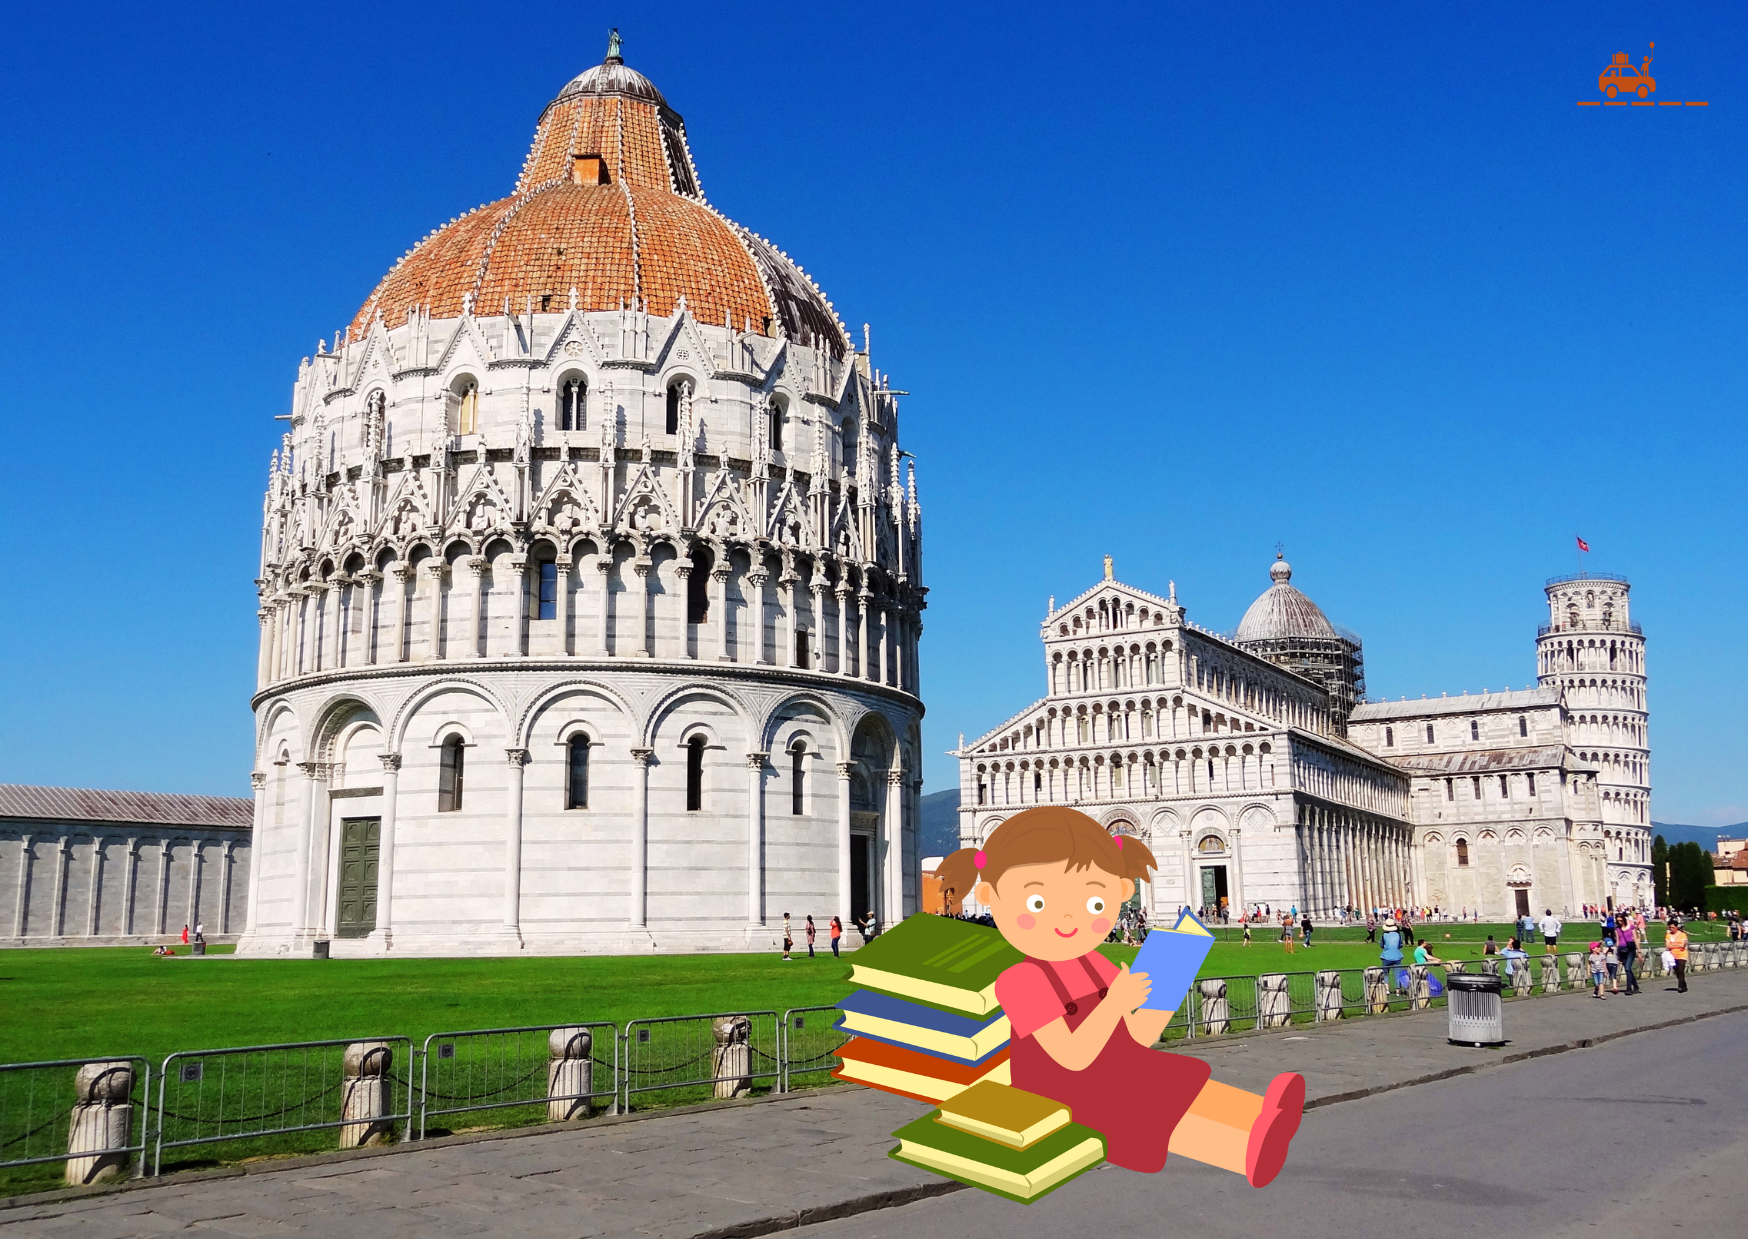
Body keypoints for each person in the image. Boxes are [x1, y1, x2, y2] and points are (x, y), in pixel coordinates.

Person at [937, 805, 1305, 1186]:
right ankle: (1243, 1148)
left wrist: (1167, 980)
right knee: (1144, 1089)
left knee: (1160, 1072)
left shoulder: (1095, 963)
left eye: (1093, 904)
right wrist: (1114, 1002)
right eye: (1038, 903)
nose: (1067, 919)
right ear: (990, 897)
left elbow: (1136, 1036)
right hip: (1055, 1088)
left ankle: (1259, 1118)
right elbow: (1072, 1057)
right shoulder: (1021, 979)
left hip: (1105, 1066)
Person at [1379, 919, 1405, 994]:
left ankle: (1387, 989)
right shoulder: (1399, 935)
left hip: (1386, 956)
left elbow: (1381, 945)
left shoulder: (1384, 935)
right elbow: (1400, 945)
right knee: (1397, 974)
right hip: (1397, 955)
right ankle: (1398, 991)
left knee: (1385, 973)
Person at [1616, 915, 1640, 994]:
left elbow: (1636, 939)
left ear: (1624, 920)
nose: (1619, 922)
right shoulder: (1617, 929)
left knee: (1627, 968)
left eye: (1621, 921)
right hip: (1622, 950)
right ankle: (1635, 986)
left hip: (1630, 949)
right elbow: (1618, 941)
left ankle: (1629, 988)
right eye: (1618, 921)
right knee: (1628, 969)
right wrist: (1617, 953)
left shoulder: (1631, 927)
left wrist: (1639, 951)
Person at [1666, 918, 1689, 992]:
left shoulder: (1682, 935)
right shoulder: (1668, 935)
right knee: (1676, 971)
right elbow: (1667, 946)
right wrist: (1676, 945)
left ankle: (1680, 986)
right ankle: (1683, 984)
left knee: (1681, 970)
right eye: (1670, 927)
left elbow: (1682, 945)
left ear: (1676, 927)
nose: (1671, 929)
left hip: (1682, 954)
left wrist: (1672, 944)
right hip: (1672, 955)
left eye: (1673, 927)